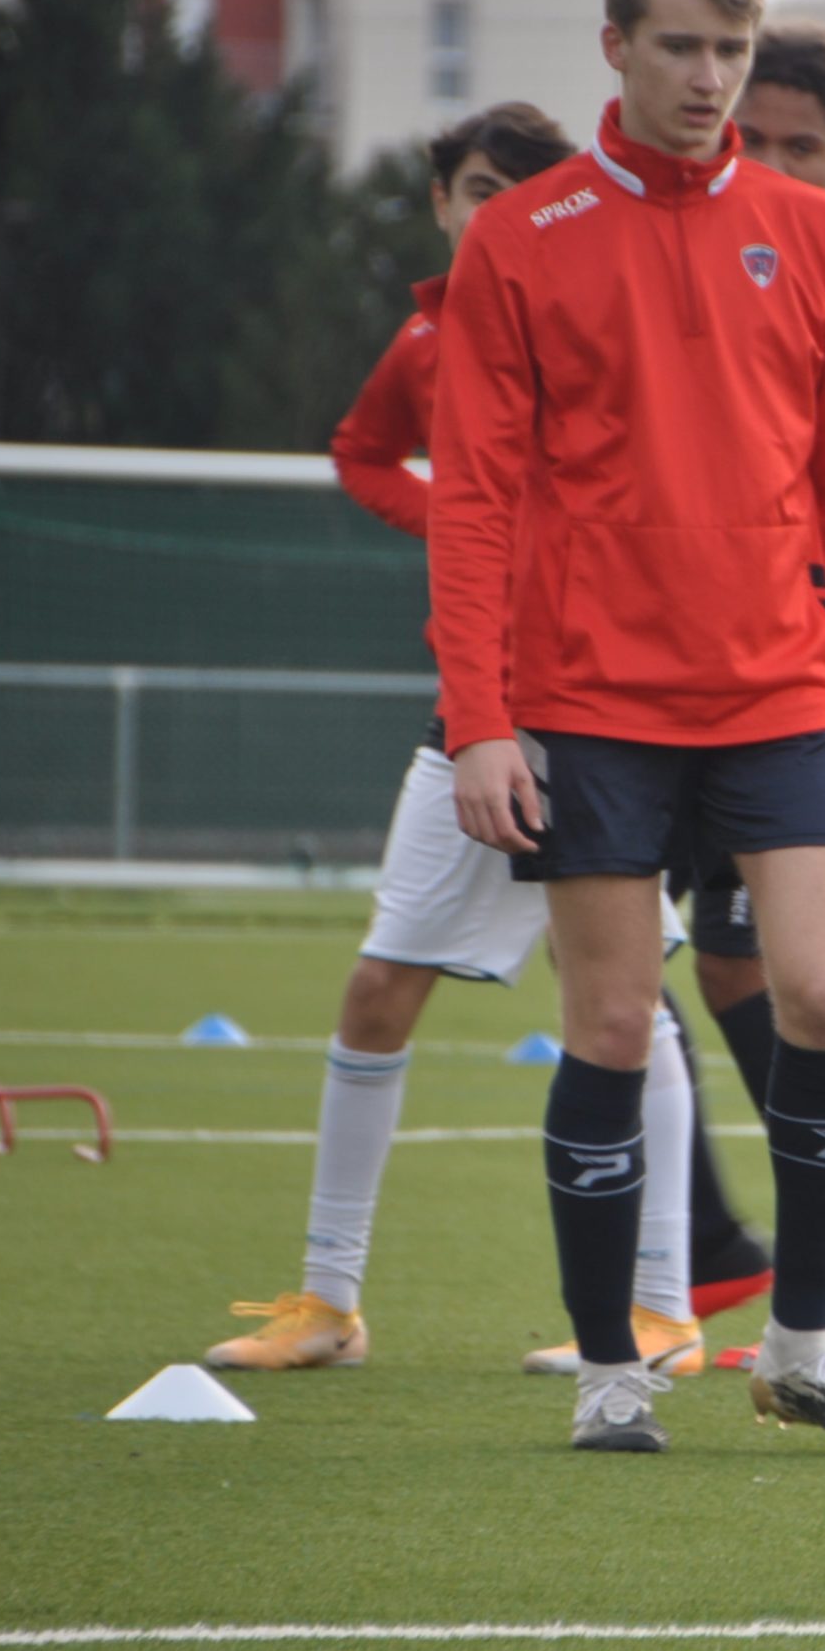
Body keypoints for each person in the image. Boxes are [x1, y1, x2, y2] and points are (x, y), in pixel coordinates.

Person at [427, 0, 825, 1457]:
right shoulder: (522, 242)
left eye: (729, 48)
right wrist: (480, 718)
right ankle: (610, 1373)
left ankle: (808, 1345)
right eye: (683, 47)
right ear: (616, 49)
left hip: (780, 692)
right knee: (605, 1019)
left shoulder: (820, 236)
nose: (710, 78)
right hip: (589, 704)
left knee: (824, 999)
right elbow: (472, 502)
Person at [206, 105, 709, 1386]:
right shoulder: (431, 334)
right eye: (474, 187)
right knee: (380, 986)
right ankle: (327, 1298)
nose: (496, 211)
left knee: (628, 1006)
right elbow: (364, 451)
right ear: (441, 202)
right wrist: (451, 518)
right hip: (478, 709)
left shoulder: (612, 316)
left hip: (611, 709)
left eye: (520, 191)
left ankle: (665, 1310)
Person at [655, 18, 825, 1372]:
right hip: (697, 660)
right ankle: (798, 1268)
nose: (762, 160)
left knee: (753, 974)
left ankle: (734, 1273)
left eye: (796, 148)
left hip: (784, 674)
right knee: (715, 963)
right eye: (748, 138)